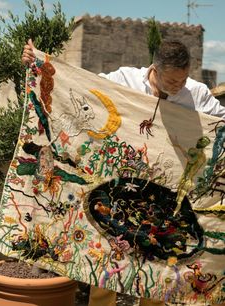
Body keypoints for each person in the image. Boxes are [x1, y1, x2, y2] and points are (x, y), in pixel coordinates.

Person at [22, 39, 225, 306]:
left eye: (183, 80)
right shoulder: (124, 80)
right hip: (119, 194)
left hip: (162, 200)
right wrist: (40, 64)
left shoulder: (196, 93)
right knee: (106, 259)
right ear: (155, 68)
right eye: (172, 81)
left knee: (158, 269)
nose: (179, 86)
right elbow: (80, 87)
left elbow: (220, 125)